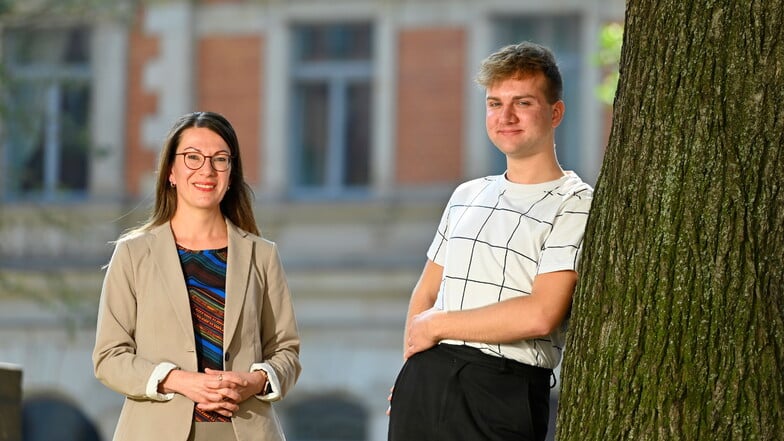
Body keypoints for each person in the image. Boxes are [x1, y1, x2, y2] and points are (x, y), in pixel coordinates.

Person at [387, 42, 593, 441]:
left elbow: (540, 314)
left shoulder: (575, 202)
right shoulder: (467, 194)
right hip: (425, 380)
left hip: (502, 389)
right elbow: (426, 291)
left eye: (523, 103)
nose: (506, 116)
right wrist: (410, 365)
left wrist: (438, 325)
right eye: (495, 103)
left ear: (556, 112)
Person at [93, 111, 301, 441]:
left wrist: (256, 381)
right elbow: (109, 358)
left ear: (231, 173)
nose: (206, 170)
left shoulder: (262, 255)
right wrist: (178, 379)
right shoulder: (133, 254)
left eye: (220, 159)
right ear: (170, 172)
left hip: (246, 431)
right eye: (192, 157)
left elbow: (286, 351)